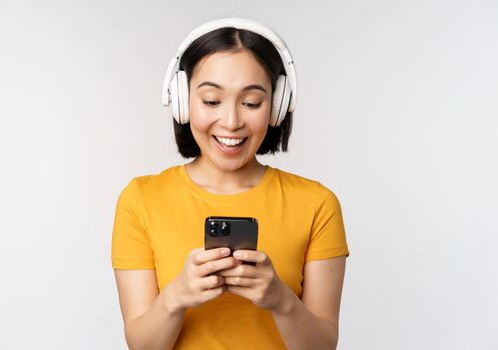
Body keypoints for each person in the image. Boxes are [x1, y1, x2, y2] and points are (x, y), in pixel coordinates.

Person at [111, 18, 350, 350]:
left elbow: (322, 347)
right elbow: (143, 346)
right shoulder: (140, 199)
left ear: (277, 107)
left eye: (251, 103)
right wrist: (175, 298)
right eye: (211, 101)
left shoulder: (317, 203)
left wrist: (281, 300)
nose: (232, 121)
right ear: (182, 100)